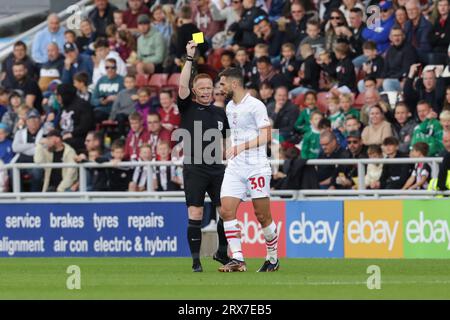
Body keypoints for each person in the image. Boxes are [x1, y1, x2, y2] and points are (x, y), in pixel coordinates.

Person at [218, 67, 279, 272]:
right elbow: (237, 134)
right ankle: (238, 259)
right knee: (226, 210)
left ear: (234, 84)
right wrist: (228, 146)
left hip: (256, 167)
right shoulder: (229, 107)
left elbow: (266, 136)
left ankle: (272, 258)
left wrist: (241, 147)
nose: (221, 88)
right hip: (235, 167)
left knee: (262, 215)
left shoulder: (255, 105)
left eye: (223, 83)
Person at [177, 40, 230, 272]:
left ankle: (221, 252)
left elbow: (227, 139)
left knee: (226, 212)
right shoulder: (188, 107)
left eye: (210, 88)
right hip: (195, 168)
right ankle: (196, 261)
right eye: (203, 88)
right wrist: (190, 58)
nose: (207, 91)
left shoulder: (220, 113)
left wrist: (229, 155)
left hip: (218, 168)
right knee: (196, 213)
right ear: (196, 91)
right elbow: (181, 86)